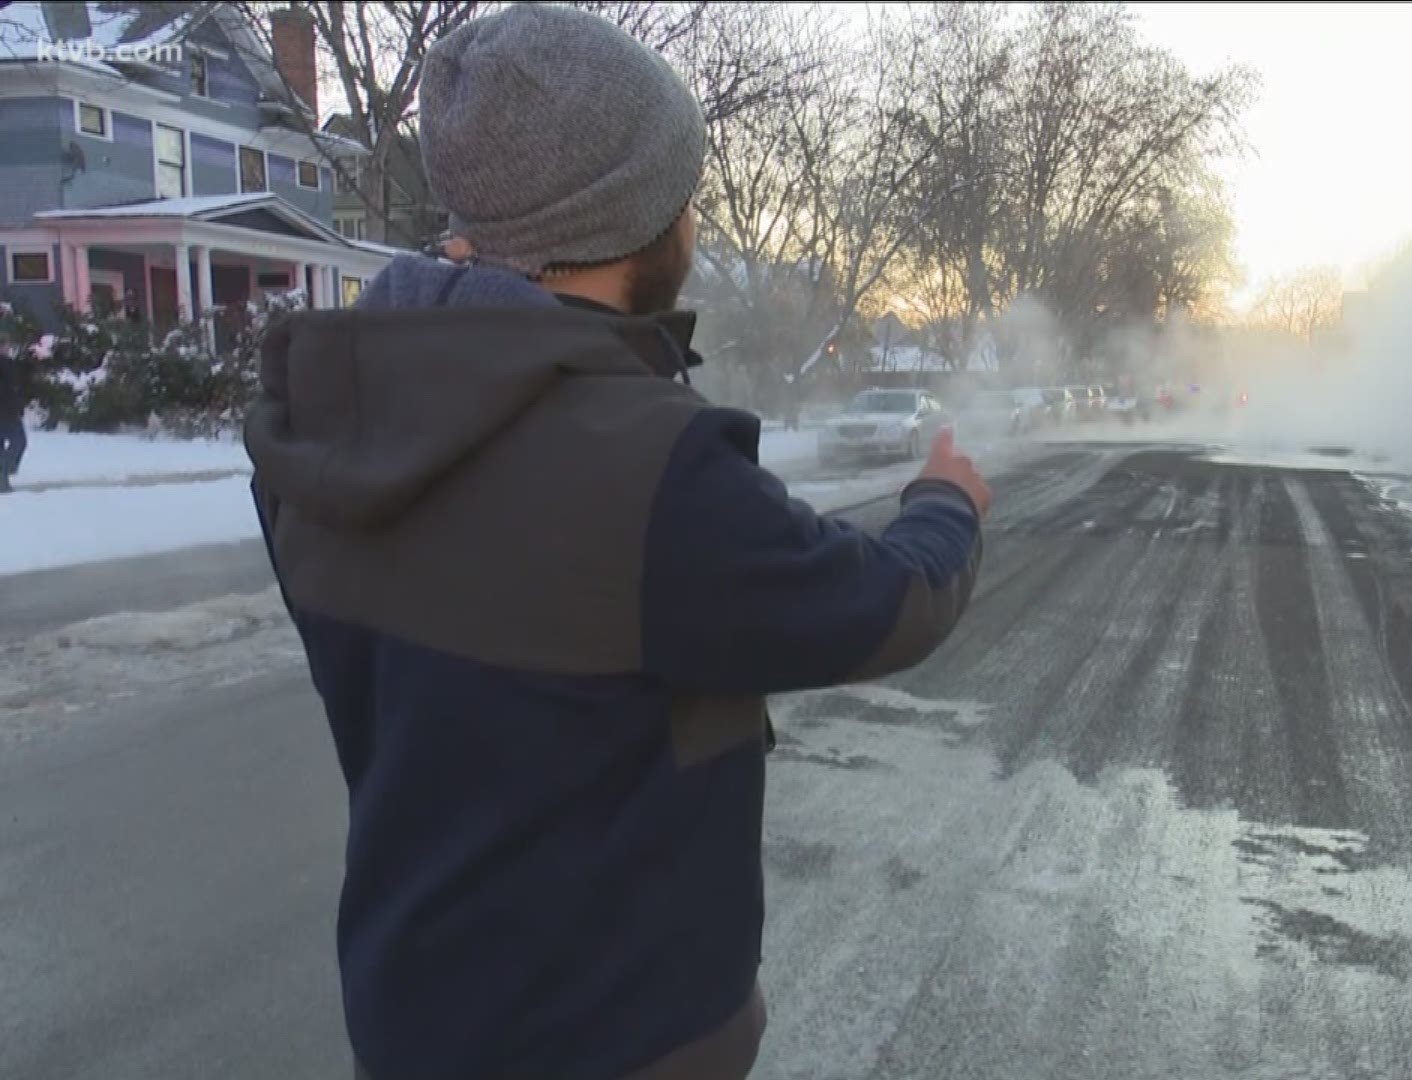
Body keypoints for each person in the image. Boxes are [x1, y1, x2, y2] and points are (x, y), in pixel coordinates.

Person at [242, 7, 991, 1079]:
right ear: (636, 216)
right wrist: (945, 502)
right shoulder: (655, 472)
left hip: (411, 1031)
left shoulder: (319, 423)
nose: (692, 216)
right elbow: (878, 604)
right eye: (683, 189)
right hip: (619, 1043)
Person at [0, 346, 25, 493]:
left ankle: (3, 479)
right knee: (19, 441)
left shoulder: (8, 363)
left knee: (12, 444)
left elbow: (14, 388)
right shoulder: (6, 364)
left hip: (9, 410)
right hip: (6, 412)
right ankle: (3, 475)